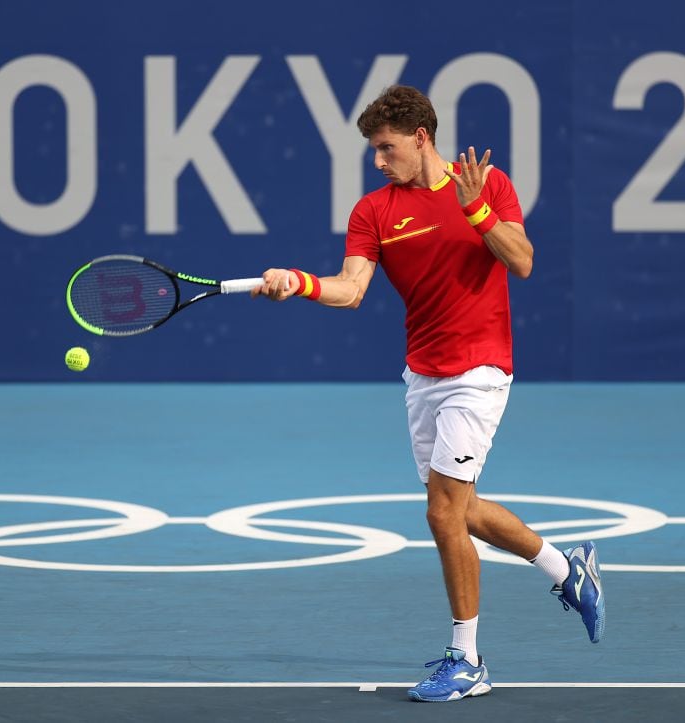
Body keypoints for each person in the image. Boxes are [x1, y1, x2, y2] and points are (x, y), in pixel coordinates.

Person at [253, 85, 604, 702]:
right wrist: (300, 282)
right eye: (373, 151)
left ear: (421, 138)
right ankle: (566, 569)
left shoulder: (488, 184)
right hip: (423, 373)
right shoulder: (373, 212)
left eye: (386, 149)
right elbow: (350, 288)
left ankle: (467, 661)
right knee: (461, 509)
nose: (378, 161)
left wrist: (477, 212)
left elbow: (521, 261)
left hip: (481, 369)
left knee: (441, 512)